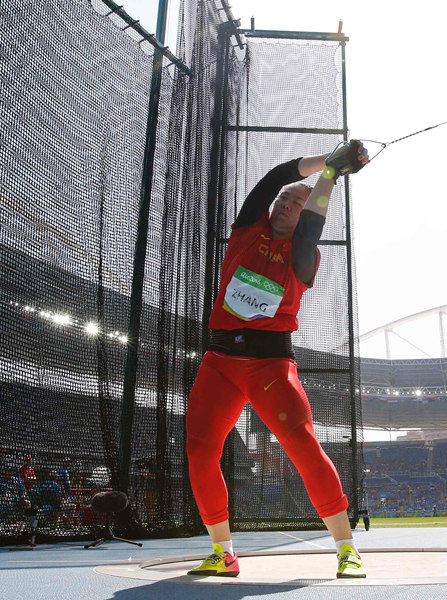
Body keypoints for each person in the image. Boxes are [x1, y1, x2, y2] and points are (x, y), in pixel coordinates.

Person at [185, 142, 368, 579]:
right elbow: (272, 179)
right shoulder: (247, 230)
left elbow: (310, 229)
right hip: (220, 362)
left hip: (270, 367)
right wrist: (327, 160)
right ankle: (222, 552)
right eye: (284, 199)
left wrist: (331, 177)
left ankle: (346, 548)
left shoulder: (305, 256)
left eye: (295, 202)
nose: (285, 203)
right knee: (199, 450)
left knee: (302, 447)